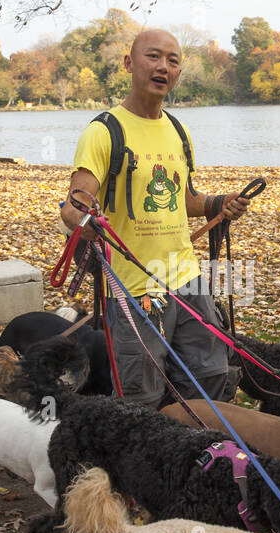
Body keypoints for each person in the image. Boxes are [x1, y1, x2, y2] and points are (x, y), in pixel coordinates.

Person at [59, 28, 251, 410]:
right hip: (134, 288)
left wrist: (218, 203)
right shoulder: (104, 131)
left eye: (173, 60)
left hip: (187, 280)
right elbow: (73, 205)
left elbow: (183, 199)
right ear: (129, 63)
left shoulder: (178, 130)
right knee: (140, 394)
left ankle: (193, 456)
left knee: (209, 376)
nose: (163, 66)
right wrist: (86, 219)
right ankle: (140, 462)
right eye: (153, 56)